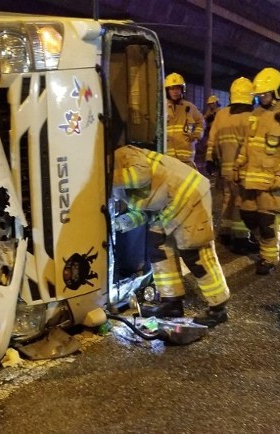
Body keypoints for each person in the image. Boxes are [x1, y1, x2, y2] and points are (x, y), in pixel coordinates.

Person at [112, 144, 230, 327]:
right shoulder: (114, 176)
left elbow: (141, 177)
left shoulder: (122, 154)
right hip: (167, 205)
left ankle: (218, 307)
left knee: (196, 255)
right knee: (157, 247)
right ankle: (171, 303)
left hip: (190, 196)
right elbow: (144, 209)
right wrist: (121, 223)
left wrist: (106, 179)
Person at [233, 67, 280, 275]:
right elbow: (247, 144)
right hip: (249, 180)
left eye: (265, 94)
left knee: (268, 223)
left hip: (272, 181)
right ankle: (269, 242)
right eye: (259, 95)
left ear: (278, 92)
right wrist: (238, 165)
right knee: (248, 217)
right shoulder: (255, 115)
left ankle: (269, 258)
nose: (262, 98)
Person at [205, 77, 257, 254]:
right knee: (242, 202)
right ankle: (241, 239)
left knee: (228, 199)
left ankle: (225, 233)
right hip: (243, 169)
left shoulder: (222, 115)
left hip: (225, 168)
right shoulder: (252, 117)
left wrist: (209, 159)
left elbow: (212, 139)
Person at [165, 72, 205, 168]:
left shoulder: (190, 107)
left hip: (186, 158)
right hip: (167, 156)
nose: (175, 91)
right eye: (172, 88)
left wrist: (197, 135)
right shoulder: (162, 107)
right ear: (167, 91)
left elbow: (201, 122)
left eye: (178, 88)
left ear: (182, 89)